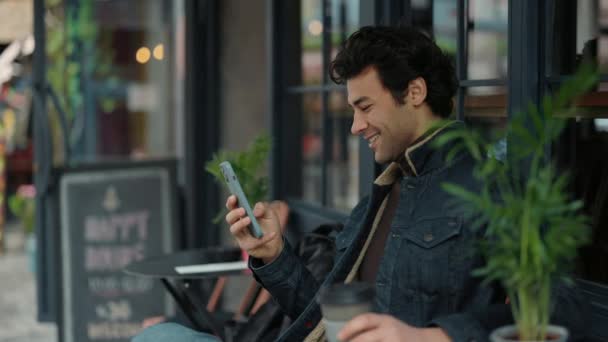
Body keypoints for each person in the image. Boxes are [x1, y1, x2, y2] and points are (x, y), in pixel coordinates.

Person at [134, 25, 586, 342]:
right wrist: (272, 255)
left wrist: (432, 337)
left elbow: (547, 316)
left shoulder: (483, 184)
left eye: (365, 107)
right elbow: (321, 315)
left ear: (414, 93)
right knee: (158, 333)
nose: (355, 126)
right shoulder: (387, 188)